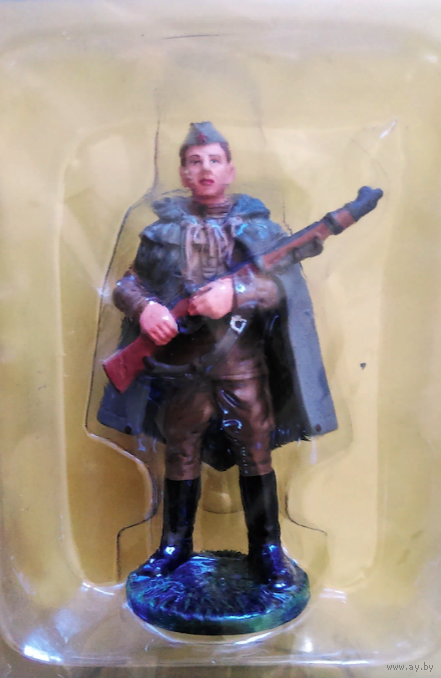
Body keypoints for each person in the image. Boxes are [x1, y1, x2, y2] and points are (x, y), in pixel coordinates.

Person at [98, 121, 338, 590]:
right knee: (180, 451)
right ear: (183, 173)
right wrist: (147, 309)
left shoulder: (262, 231)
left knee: (255, 452)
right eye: (194, 161)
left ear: (230, 169)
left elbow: (281, 289)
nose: (205, 169)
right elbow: (128, 284)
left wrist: (237, 292)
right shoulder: (160, 233)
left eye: (214, 160)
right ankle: (175, 546)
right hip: (182, 365)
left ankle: (267, 550)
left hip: (241, 364)